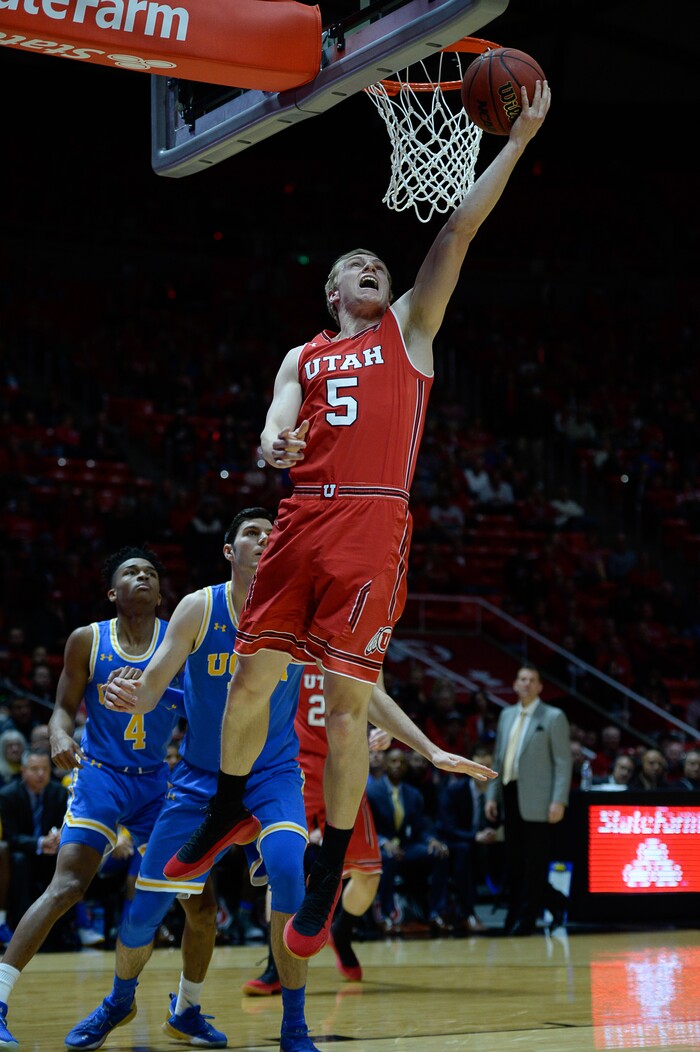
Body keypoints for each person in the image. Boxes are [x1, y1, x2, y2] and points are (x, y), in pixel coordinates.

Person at [164, 81, 549, 959]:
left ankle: (332, 863)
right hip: (302, 516)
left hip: (373, 526)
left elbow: (456, 230)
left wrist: (519, 139)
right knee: (251, 679)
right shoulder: (304, 352)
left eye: (380, 261)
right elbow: (275, 416)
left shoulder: (410, 328)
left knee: (344, 710)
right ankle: (231, 803)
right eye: (356, 263)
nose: (373, 264)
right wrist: (271, 444)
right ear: (333, 289)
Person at [94, 510, 496, 1051]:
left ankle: (294, 1025)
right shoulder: (199, 607)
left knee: (289, 872)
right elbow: (154, 683)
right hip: (198, 781)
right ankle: (120, 1000)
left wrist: (429, 747)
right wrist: (130, 697)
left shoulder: (303, 617)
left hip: (273, 777)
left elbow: (366, 693)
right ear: (229, 552)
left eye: (272, 534)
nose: (265, 541)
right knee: (145, 907)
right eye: (252, 535)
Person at [0, 545, 181, 1050]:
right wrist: (59, 735)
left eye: (150, 572)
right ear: (112, 592)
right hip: (101, 774)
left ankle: (187, 1008)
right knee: (67, 886)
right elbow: (62, 709)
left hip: (157, 781)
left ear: (161, 593)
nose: (142, 576)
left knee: (196, 896)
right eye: (130, 572)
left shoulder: (178, 639)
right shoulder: (87, 640)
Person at [484, 664, 572, 936]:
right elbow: (499, 758)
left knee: (534, 861)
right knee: (515, 861)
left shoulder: (554, 716)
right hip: (510, 792)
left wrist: (559, 800)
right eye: (522, 679)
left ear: (540, 686)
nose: (526, 683)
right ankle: (547, 905)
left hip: (539, 798)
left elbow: (563, 762)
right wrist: (492, 795)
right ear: (514, 684)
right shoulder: (506, 715)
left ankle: (527, 919)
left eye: (532, 680)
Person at [367, 747, 451, 933]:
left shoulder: (413, 794)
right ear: (385, 764)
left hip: (406, 846)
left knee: (440, 853)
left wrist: (431, 840)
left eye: (401, 762)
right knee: (388, 856)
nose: (397, 766)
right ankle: (387, 915)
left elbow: (420, 827)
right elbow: (367, 828)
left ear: (406, 767)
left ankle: (436, 912)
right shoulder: (372, 792)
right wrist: (383, 842)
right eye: (393, 761)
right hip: (379, 846)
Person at [0, 751, 68, 933]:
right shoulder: (7, 795)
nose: (40, 774)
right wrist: (39, 843)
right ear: (23, 771)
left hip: (53, 850)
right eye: (35, 769)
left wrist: (58, 837)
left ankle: (68, 928)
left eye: (45, 769)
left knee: (70, 857)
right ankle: (22, 928)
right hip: (23, 852)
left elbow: (65, 824)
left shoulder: (60, 793)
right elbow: (10, 836)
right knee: (19, 860)